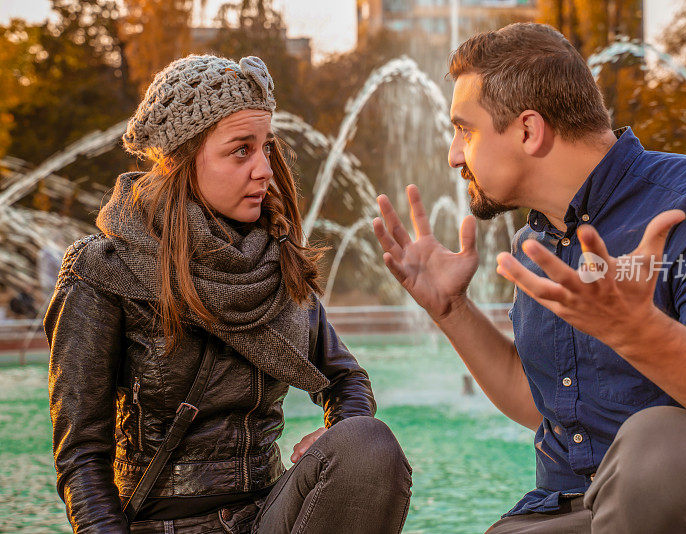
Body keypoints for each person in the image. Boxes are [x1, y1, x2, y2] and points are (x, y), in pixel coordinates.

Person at [373, 23, 686, 533]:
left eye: (465, 129)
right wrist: (451, 310)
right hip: (575, 509)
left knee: (656, 448)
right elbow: (551, 406)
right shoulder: (536, 247)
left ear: (528, 130)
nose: (453, 155)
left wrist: (637, 332)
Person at [45, 54, 412, 534]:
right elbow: (81, 456)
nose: (264, 170)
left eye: (266, 147)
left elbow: (345, 379)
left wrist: (338, 430)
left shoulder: (274, 260)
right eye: (241, 149)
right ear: (182, 159)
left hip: (269, 517)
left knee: (368, 446)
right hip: (163, 526)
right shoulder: (102, 272)